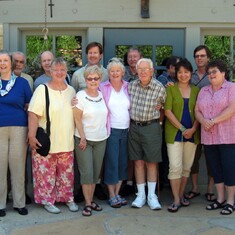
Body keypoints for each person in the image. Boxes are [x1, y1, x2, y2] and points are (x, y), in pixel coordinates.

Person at [28, 57, 78, 214]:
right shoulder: (42, 89)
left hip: (67, 141)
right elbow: (33, 113)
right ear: (50, 71)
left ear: (66, 71)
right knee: (45, 175)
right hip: (47, 141)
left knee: (66, 175)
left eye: (62, 69)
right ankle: (47, 200)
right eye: (56, 69)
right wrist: (31, 135)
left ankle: (67, 198)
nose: (59, 72)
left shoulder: (71, 91)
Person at [195, 59, 235, 215]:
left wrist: (212, 121)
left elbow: (232, 108)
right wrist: (202, 120)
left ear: (223, 73)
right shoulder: (203, 91)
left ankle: (231, 201)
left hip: (228, 137)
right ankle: (220, 199)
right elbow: (197, 110)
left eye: (214, 72)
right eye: (209, 72)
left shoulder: (231, 88)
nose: (211, 75)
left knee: (229, 169)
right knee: (216, 170)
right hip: (209, 138)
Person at [71, 42, 108, 201]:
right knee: (85, 170)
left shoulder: (107, 74)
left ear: (100, 55)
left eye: (96, 53)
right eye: (90, 53)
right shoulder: (78, 74)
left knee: (96, 169)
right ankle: (84, 196)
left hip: (100, 134)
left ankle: (94, 194)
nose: (93, 55)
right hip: (83, 132)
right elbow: (73, 93)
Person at [128, 58, 166, 210]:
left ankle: (152, 195)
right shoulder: (131, 86)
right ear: (136, 71)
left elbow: (163, 108)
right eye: (140, 69)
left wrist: (160, 124)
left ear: (152, 71)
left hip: (152, 126)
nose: (143, 72)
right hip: (134, 127)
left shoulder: (159, 88)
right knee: (138, 162)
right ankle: (141, 195)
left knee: (151, 161)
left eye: (146, 69)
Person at [164, 58, 200, 212]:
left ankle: (181, 194)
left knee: (186, 168)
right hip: (174, 134)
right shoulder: (170, 89)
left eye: (186, 72)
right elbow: (167, 111)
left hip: (193, 134)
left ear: (191, 73)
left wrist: (192, 129)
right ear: (175, 74)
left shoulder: (197, 91)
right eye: (180, 72)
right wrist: (182, 129)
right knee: (175, 167)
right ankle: (176, 199)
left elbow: (200, 112)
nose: (183, 75)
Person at [0, 51, 32, 217]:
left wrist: (31, 131)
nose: (2, 63)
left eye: (5, 60)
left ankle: (19, 203)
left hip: (19, 128)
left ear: (11, 63)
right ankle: (0, 204)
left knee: (18, 166)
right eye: (0, 61)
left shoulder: (22, 83)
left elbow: (30, 107)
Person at [184, 45, 215, 202]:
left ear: (208, 57)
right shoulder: (191, 76)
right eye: (197, 56)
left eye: (202, 55)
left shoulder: (214, 75)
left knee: (211, 156)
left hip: (211, 123)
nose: (199, 58)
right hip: (193, 121)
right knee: (193, 157)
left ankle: (210, 188)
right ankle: (195, 187)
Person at [99, 58, 130, 208]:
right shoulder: (102, 87)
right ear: (108, 73)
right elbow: (89, 96)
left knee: (123, 163)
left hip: (127, 130)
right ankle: (111, 195)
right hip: (111, 131)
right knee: (112, 163)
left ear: (123, 72)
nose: (115, 73)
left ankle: (118, 193)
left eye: (118, 70)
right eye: (112, 71)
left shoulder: (129, 87)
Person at [120, 47, 143, 197]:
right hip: (124, 119)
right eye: (130, 57)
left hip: (140, 119)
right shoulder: (123, 74)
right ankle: (128, 183)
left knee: (141, 155)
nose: (132, 59)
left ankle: (142, 184)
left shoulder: (145, 73)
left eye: (135, 56)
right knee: (128, 155)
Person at [11, 51, 33, 204]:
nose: (18, 64)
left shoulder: (27, 80)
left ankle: (22, 194)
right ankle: (6, 196)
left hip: (22, 124)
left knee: (20, 162)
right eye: (16, 61)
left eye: (21, 62)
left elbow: (29, 103)